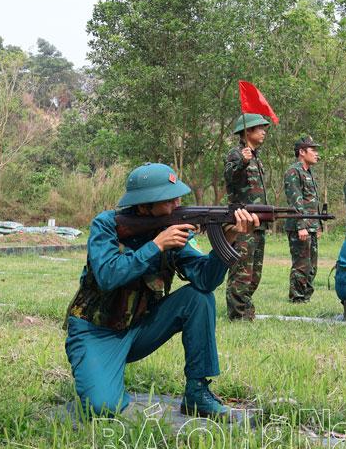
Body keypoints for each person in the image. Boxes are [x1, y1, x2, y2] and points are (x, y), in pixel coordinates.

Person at [64, 163, 259, 418]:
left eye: (178, 195)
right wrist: (156, 246)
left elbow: (205, 280)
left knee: (197, 298)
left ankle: (197, 393)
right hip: (95, 332)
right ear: (144, 205)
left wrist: (230, 239)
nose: (178, 203)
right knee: (101, 408)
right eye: (169, 199)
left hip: (140, 329)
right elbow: (108, 275)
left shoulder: (171, 231)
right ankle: (103, 375)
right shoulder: (106, 225)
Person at [223, 113, 271, 321]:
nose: (264, 131)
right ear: (247, 131)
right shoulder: (237, 154)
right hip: (242, 222)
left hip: (257, 223)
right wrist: (242, 161)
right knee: (241, 270)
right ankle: (236, 314)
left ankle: (246, 310)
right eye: (260, 128)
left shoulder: (256, 156)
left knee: (254, 273)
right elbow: (230, 176)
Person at [283, 136, 322, 303]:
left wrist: (317, 225)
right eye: (313, 150)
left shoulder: (308, 172)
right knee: (301, 264)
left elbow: (311, 201)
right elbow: (296, 201)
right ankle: (297, 298)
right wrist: (301, 226)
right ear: (302, 152)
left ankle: (306, 296)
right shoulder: (294, 171)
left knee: (312, 265)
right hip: (300, 226)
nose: (316, 153)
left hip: (311, 225)